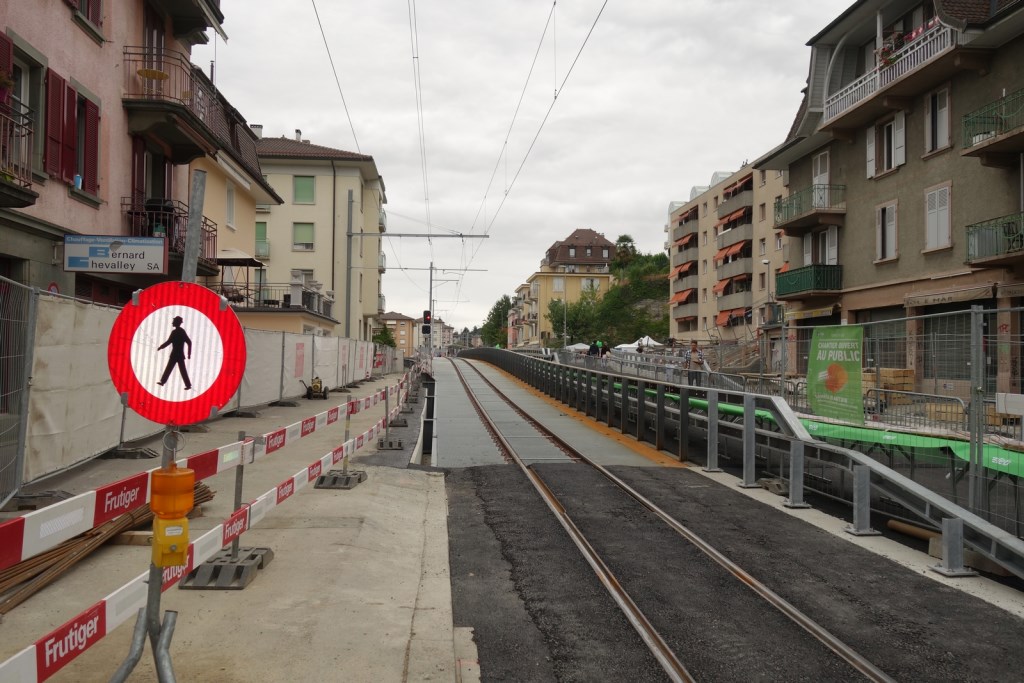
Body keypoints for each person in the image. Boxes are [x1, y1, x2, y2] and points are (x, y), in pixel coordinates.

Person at [157, 315, 192, 390]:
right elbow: (169, 342)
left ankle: (188, 385)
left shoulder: (178, 332)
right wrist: (161, 347)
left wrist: (189, 354)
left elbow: (189, 342)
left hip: (176, 355)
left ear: (177, 322)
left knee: (178, 370)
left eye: (174, 321)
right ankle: (163, 382)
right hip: (177, 355)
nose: (172, 323)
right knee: (172, 369)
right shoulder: (178, 332)